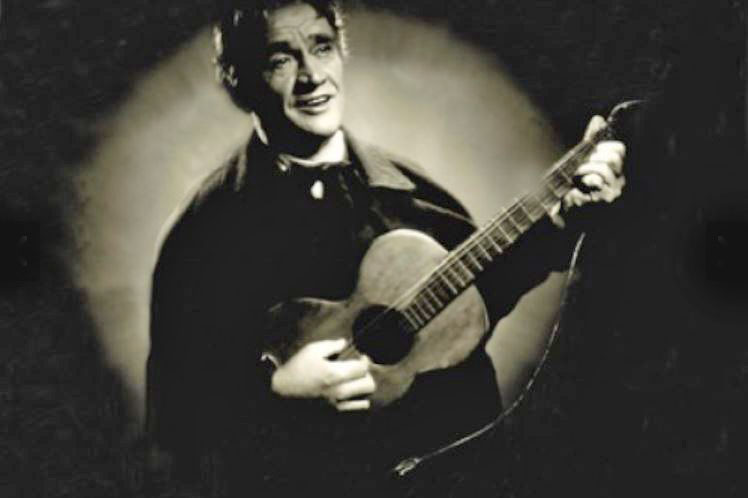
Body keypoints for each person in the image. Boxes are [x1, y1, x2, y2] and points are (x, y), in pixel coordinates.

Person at [145, 1, 627, 496]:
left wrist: (560, 222)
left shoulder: (411, 192)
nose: (313, 76)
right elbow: (175, 415)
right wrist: (277, 389)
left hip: (454, 474)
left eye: (322, 47)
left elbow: (476, 299)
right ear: (237, 79)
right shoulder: (204, 231)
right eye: (280, 59)